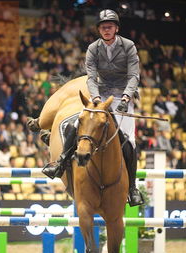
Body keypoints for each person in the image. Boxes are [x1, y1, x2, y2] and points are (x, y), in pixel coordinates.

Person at [41, 9, 144, 206]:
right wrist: (96, 98)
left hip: (123, 96)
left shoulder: (129, 46)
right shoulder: (93, 48)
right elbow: (91, 76)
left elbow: (134, 76)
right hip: (100, 95)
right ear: (99, 29)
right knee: (80, 122)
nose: (106, 30)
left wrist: (125, 97)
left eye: (110, 26)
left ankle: (132, 188)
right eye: (103, 27)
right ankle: (60, 163)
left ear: (116, 28)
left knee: (129, 142)